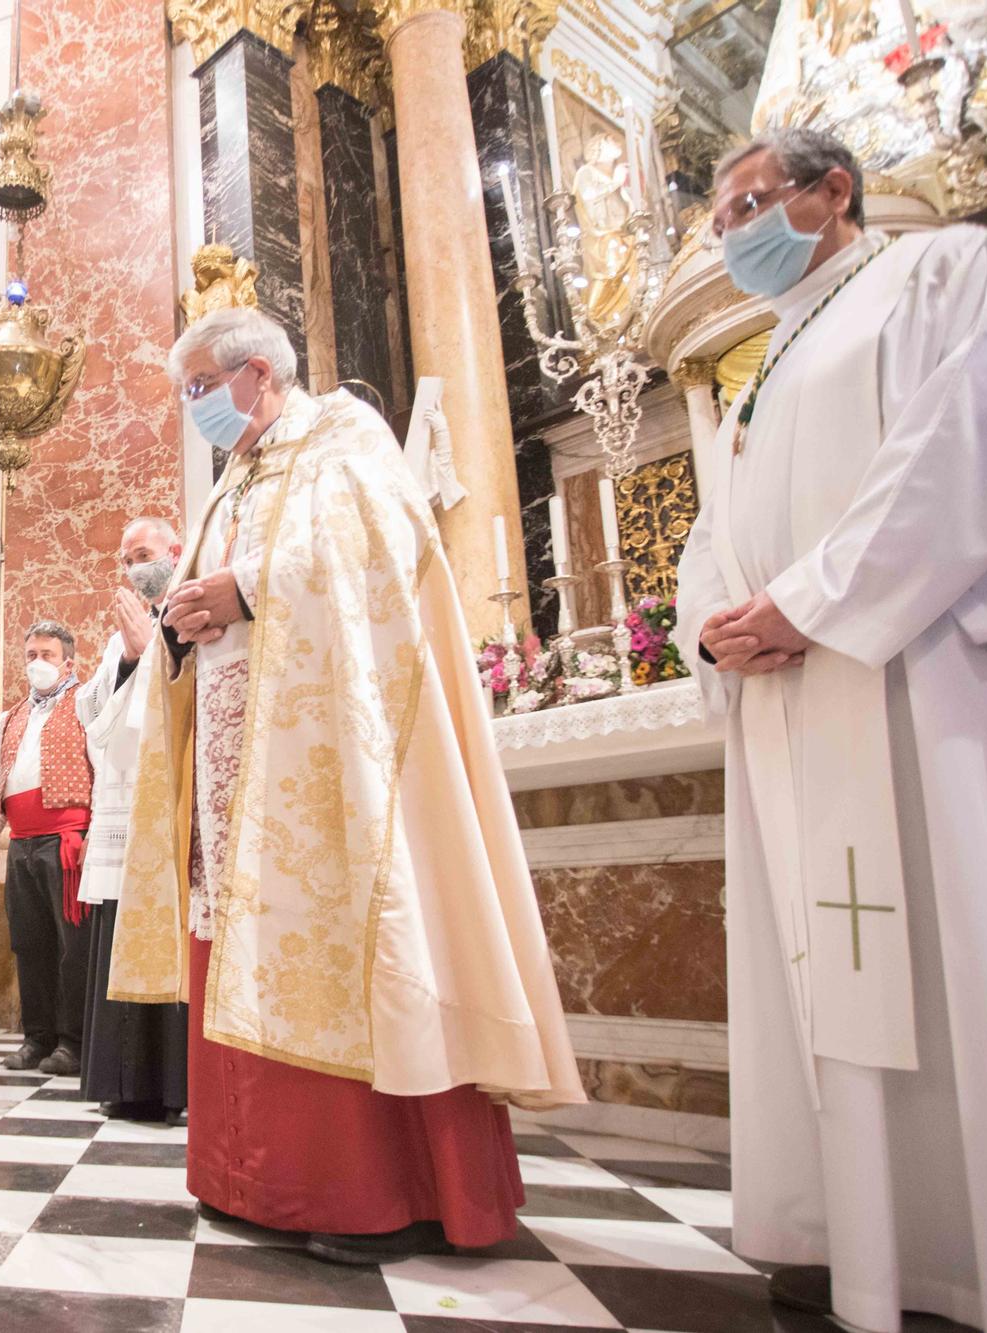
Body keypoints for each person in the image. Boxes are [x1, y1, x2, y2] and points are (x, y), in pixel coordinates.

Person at [109, 307, 582, 1265]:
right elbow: (203, 599)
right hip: (234, 768)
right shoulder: (235, 476)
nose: (194, 406)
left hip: (336, 776)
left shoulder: (347, 438)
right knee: (241, 948)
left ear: (257, 373)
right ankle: (252, 1180)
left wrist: (243, 590)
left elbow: (378, 558)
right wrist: (182, 621)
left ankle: (376, 1193)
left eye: (200, 387)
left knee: (334, 940)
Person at [673, 127, 987, 1332]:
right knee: (817, 969)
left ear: (831, 192)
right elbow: (710, 540)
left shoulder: (946, 273)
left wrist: (812, 603)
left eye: (747, 207)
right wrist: (715, 630)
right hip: (787, 700)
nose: (730, 236)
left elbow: (969, 441)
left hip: (912, 678)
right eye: (717, 221)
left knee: (943, 946)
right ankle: (840, 1235)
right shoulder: (760, 370)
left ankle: (972, 1254)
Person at [75, 517, 188, 1123]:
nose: (132, 567)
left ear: (175, 551)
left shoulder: (191, 603)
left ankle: (171, 1086)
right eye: (125, 559)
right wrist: (127, 661)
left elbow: (190, 689)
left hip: (171, 804)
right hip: (124, 802)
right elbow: (91, 708)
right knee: (118, 930)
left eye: (141, 554)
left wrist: (152, 654)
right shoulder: (121, 635)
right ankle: (127, 1083)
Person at [0, 623, 94, 1075]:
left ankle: (73, 1041)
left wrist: (94, 833)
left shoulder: (87, 703)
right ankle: (37, 1038)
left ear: (68, 662)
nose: (37, 663)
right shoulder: (11, 716)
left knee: (72, 946)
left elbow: (102, 768)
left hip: (67, 841)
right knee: (29, 944)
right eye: (30, 655)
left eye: (46, 654)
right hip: (21, 843)